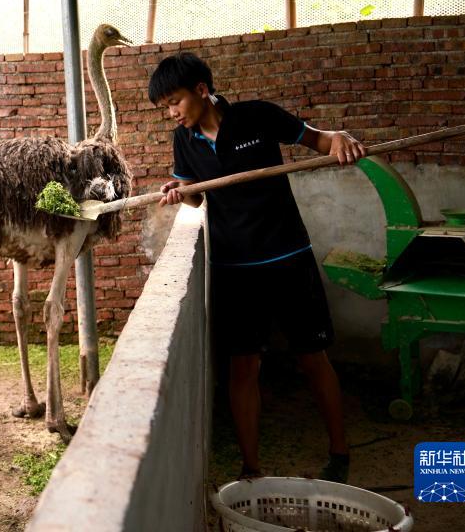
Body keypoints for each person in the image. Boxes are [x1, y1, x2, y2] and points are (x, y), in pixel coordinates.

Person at [150, 51, 366, 484]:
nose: (172, 113)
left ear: (201, 90)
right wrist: (180, 191)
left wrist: (340, 137)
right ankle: (251, 468)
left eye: (175, 102)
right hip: (234, 269)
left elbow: (319, 141)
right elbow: (196, 195)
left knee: (313, 357)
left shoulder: (257, 116)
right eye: (165, 107)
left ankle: (340, 452)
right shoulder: (184, 141)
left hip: (288, 257)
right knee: (243, 369)